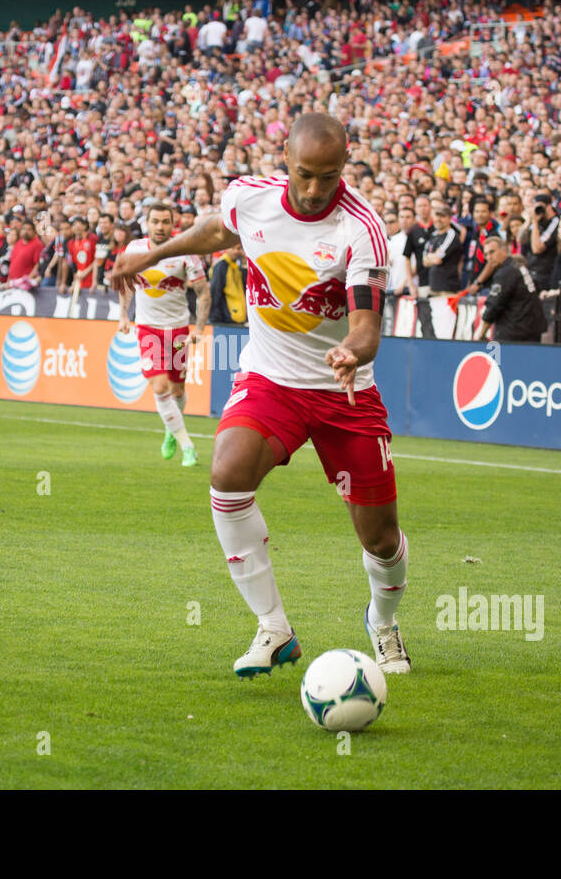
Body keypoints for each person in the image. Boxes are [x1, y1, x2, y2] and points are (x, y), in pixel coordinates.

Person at [109, 113, 411, 678]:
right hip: (271, 380)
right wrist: (151, 256)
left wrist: (352, 350)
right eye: (304, 175)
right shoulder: (251, 198)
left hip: (343, 391)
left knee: (381, 537)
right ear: (286, 160)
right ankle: (274, 628)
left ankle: (384, 623)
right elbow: (217, 233)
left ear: (345, 164)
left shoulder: (361, 229)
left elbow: (368, 323)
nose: (316, 189)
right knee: (227, 475)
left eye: (328, 176)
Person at [115, 201, 210, 467]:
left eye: (165, 222)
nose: (160, 226)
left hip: (178, 331)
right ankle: (187, 446)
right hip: (147, 328)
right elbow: (125, 285)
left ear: (172, 224)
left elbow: (203, 292)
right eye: (155, 221)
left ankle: (172, 430)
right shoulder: (135, 249)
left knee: (178, 391)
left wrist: (199, 329)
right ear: (147, 223)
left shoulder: (185, 252)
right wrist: (124, 315)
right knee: (159, 387)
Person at [478, 237, 547, 342]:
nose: (489, 257)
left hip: (515, 333)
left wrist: (481, 333)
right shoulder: (519, 266)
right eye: (486, 254)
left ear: (504, 249)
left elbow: (494, 305)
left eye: (492, 252)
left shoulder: (506, 272)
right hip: (531, 329)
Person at [209, 242, 246, 324]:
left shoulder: (236, 266)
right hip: (225, 319)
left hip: (236, 317)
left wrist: (244, 265)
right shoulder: (221, 265)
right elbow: (215, 292)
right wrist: (215, 319)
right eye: (233, 248)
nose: (236, 251)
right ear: (226, 249)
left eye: (238, 248)